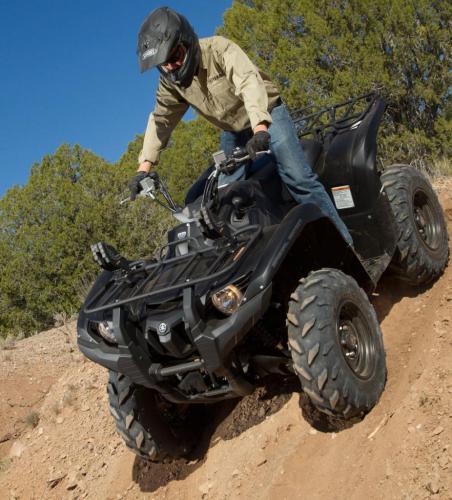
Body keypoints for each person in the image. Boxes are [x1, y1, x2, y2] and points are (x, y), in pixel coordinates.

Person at [130, 6, 353, 245]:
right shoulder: (171, 84)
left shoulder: (219, 50)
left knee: (298, 178)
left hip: (267, 114)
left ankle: (345, 244)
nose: (171, 67)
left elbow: (248, 82)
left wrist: (260, 129)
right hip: (233, 131)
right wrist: (143, 169)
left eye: (174, 57)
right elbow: (161, 119)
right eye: (164, 64)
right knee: (225, 196)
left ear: (187, 42)